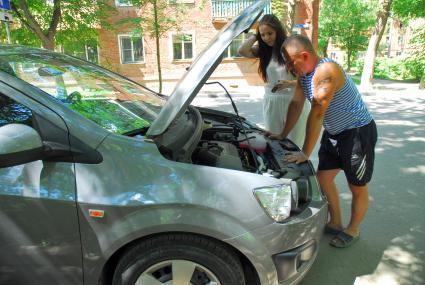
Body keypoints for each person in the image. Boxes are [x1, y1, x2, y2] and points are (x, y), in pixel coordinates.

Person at [271, 34, 378, 248]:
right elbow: (296, 105)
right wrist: (282, 134)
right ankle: (336, 222)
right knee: (323, 178)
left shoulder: (326, 71)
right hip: (335, 133)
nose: (290, 68)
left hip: (357, 133)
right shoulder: (303, 75)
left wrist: (305, 152)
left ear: (304, 55)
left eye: (292, 63)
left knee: (357, 186)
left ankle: (353, 229)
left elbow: (317, 113)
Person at [237, 14, 309, 148]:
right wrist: (256, 35)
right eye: (263, 35)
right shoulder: (263, 51)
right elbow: (241, 50)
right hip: (272, 101)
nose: (266, 38)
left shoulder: (293, 47)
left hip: (294, 100)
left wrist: (290, 83)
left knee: (295, 144)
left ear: (278, 31)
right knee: (274, 144)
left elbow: (310, 76)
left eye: (270, 33)